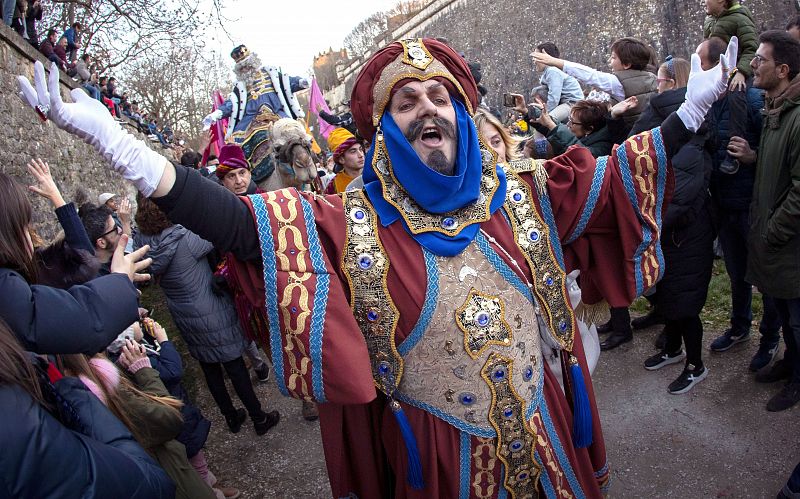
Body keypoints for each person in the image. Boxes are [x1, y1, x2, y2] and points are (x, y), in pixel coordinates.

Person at [18, 36, 738, 497]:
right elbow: (240, 224)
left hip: (547, 431)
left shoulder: (515, 192)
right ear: (385, 128)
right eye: (408, 100)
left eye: (441, 98)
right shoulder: (346, 222)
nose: (428, 108)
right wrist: (125, 149)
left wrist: (691, 114)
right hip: (443, 456)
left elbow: (610, 178)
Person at [133, 194, 280, 435]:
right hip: (210, 309)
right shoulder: (184, 237)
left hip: (182, 313)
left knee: (210, 368)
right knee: (234, 365)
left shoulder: (143, 241)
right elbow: (215, 232)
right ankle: (258, 417)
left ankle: (231, 417)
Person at [0, 318, 175, 498]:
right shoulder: (93, 393)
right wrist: (143, 367)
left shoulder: (30, 413)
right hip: (169, 469)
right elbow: (170, 416)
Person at [698, 38, 784, 371]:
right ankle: (739, 326)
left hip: (751, 205)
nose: (698, 71)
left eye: (701, 63)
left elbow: (778, 157)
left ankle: (769, 337)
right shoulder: (709, 102)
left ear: (720, 65)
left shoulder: (751, 100)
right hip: (722, 204)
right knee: (736, 273)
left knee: (765, 277)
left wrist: (751, 156)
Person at [728, 31, 800, 412]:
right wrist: (754, 158)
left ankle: (797, 380)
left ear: (783, 70)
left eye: (762, 59)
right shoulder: (776, 109)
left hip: (786, 241)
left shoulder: (796, 116)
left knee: (798, 320)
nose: (753, 65)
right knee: (789, 316)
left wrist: (772, 230)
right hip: (773, 238)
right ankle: (789, 364)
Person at [58, 346, 217, 499]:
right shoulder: (107, 391)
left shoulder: (61, 406)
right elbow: (169, 419)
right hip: (173, 481)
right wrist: (143, 370)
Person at [201, 44, 309, 183]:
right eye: (242, 68)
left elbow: (287, 83)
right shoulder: (240, 87)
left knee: (296, 133)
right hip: (252, 121)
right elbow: (230, 104)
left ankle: (309, 166)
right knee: (248, 140)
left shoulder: (271, 74)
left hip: (277, 116)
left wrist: (300, 82)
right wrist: (216, 114)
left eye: (247, 65)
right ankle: (258, 176)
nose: (246, 69)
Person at [532, 37, 657, 128]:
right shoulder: (653, 78)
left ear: (627, 64)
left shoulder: (617, 82)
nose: (610, 61)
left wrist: (554, 61)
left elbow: (589, 75)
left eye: (613, 57)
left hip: (632, 136)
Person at [703, 0, 759, 173]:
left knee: (736, 94)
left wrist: (741, 72)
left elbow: (752, 48)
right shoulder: (710, 21)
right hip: (718, 72)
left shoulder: (740, 19)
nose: (704, 2)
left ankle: (733, 152)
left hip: (738, 72)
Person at [531, 42, 585, 123]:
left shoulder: (552, 71)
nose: (534, 61)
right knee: (536, 91)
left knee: (547, 121)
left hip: (572, 105)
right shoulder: (548, 72)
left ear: (545, 57)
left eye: (536, 57)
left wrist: (546, 113)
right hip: (563, 104)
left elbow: (554, 98)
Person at [324, 127, 365, 194]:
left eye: (360, 149)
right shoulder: (334, 185)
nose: (361, 155)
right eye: (353, 151)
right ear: (341, 159)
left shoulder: (375, 174)